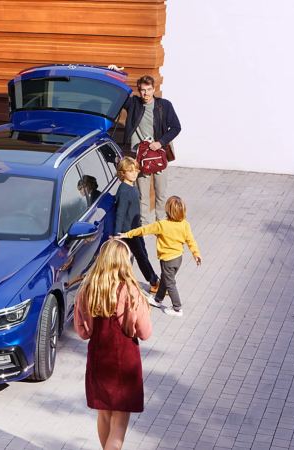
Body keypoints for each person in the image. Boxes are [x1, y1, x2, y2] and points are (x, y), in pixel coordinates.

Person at [74, 239, 152, 450]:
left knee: (104, 413)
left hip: (99, 358)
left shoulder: (88, 290)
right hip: (125, 363)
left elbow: (83, 332)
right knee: (119, 421)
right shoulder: (132, 291)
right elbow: (145, 333)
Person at [108, 66, 181, 225]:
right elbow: (118, 92)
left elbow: (176, 127)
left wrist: (160, 142)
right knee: (142, 194)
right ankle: (145, 225)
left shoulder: (164, 106)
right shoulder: (133, 103)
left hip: (158, 155)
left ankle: (161, 222)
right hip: (141, 157)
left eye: (148, 90)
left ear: (154, 89)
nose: (145, 93)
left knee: (161, 192)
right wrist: (116, 73)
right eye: (142, 90)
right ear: (138, 91)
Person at [117, 196, 202, 317]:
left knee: (169, 283)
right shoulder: (185, 225)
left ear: (167, 210)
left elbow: (143, 230)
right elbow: (191, 241)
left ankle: (177, 308)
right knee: (165, 278)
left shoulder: (162, 225)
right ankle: (158, 299)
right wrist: (196, 254)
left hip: (167, 260)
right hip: (178, 259)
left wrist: (127, 234)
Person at [114, 157, 160, 293]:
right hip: (128, 232)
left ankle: (153, 280)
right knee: (140, 256)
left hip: (136, 228)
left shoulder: (132, 186)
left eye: (136, 170)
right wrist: (117, 234)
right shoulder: (124, 191)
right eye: (130, 171)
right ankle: (154, 282)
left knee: (143, 254)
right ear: (122, 173)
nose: (135, 173)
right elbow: (120, 213)